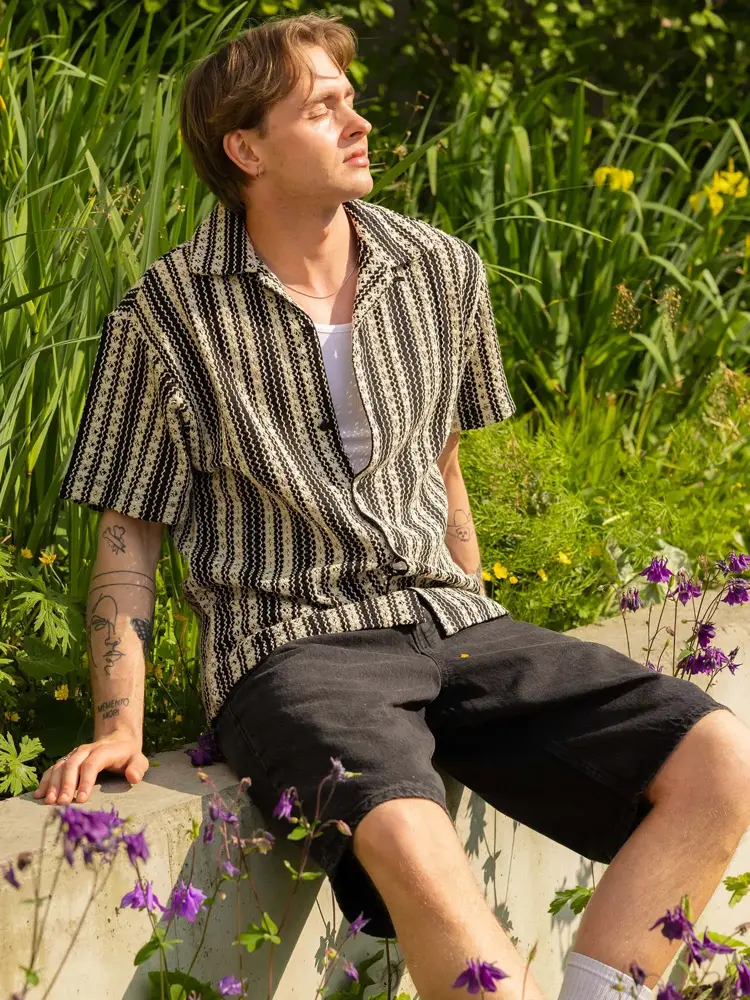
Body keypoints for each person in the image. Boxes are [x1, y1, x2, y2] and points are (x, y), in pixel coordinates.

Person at [35, 12, 750, 1000]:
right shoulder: (166, 315)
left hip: (452, 624)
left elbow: (443, 466)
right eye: (321, 107)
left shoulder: (440, 269)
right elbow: (127, 533)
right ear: (246, 149)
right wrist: (119, 723)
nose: (359, 120)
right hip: (295, 649)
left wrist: (485, 617)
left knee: (718, 758)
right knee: (416, 838)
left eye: (352, 98)